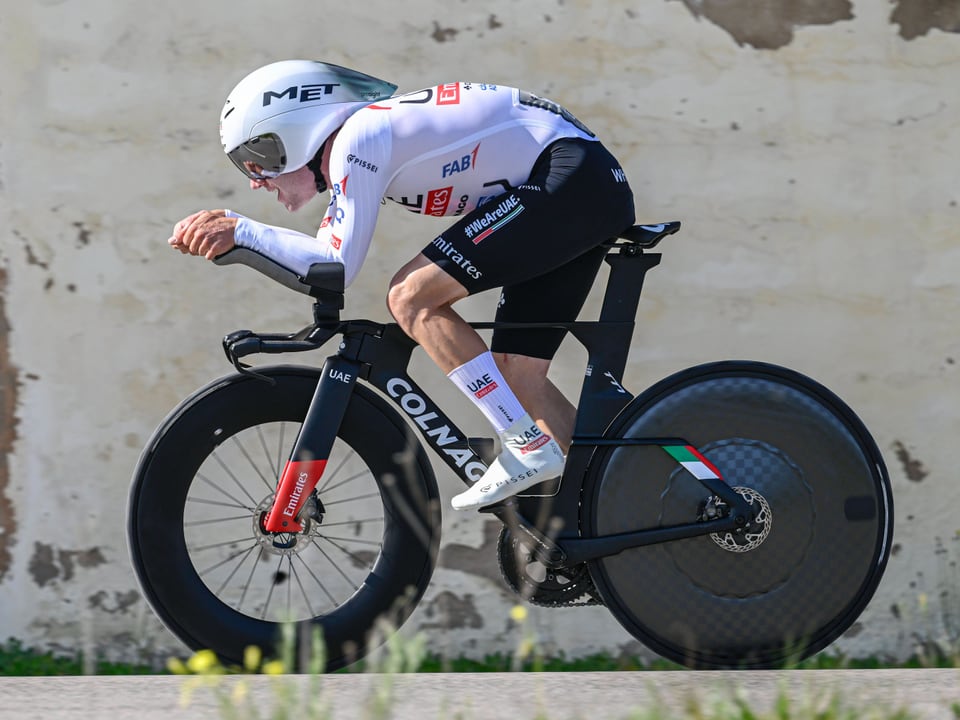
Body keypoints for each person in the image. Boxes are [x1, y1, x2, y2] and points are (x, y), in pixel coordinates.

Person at [169, 60, 635, 510]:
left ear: (297, 129)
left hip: (570, 178)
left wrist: (242, 231)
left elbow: (334, 265)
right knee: (516, 371)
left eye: (257, 158)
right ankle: (615, 500)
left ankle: (525, 444)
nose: (255, 180)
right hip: (578, 184)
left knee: (412, 297)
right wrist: (241, 231)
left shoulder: (359, 137)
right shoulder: (364, 139)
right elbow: (325, 258)